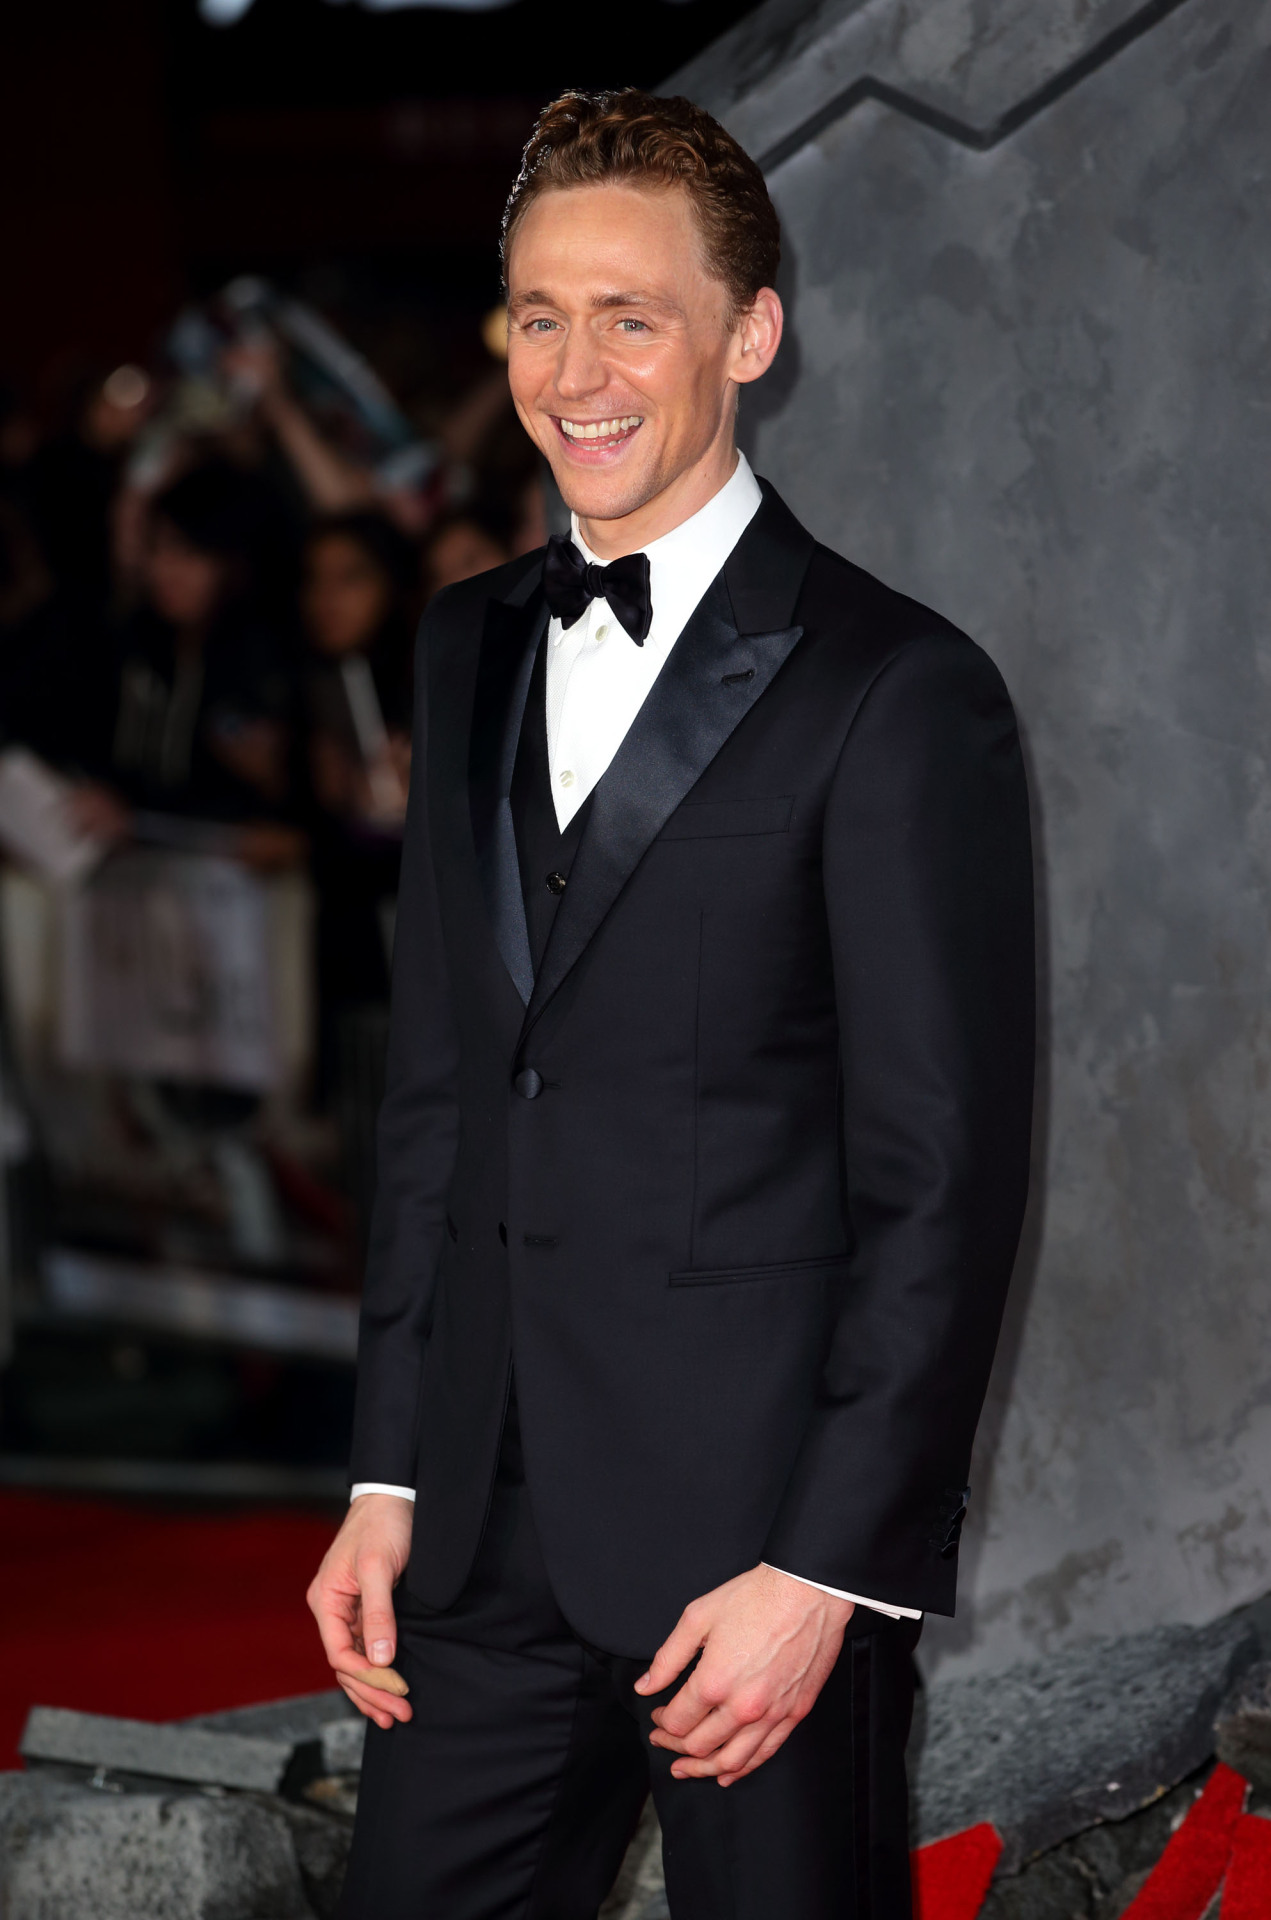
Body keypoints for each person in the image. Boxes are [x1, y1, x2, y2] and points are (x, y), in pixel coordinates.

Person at [308, 89, 1035, 1920]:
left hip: (753, 1559)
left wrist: (827, 1572)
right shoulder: (467, 641)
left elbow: (941, 1182)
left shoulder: (899, 689)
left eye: (632, 317)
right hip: (475, 1542)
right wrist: (388, 1474)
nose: (577, 373)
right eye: (541, 316)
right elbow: (440, 1095)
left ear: (751, 334)